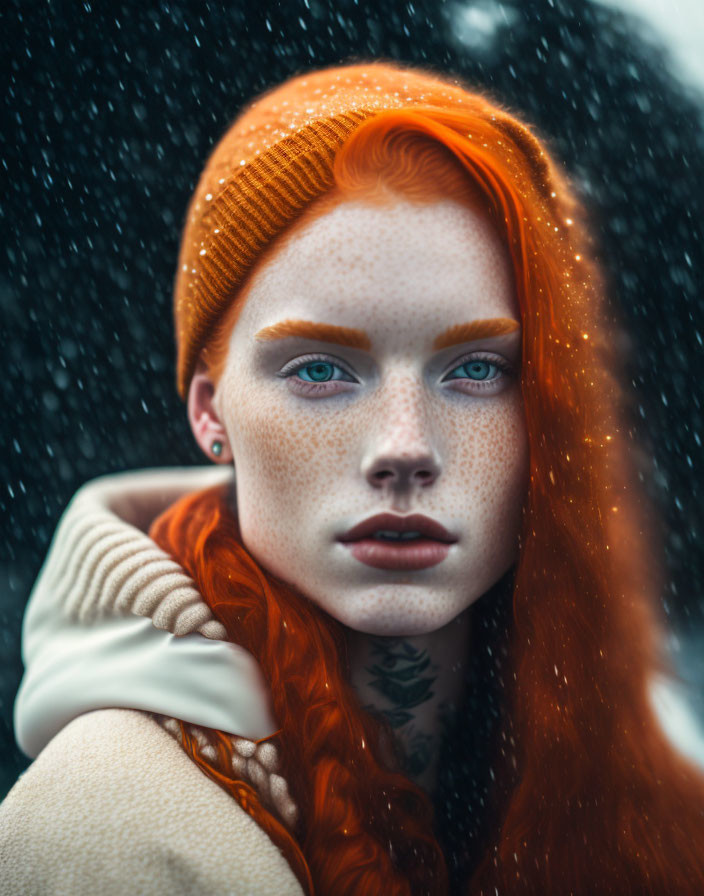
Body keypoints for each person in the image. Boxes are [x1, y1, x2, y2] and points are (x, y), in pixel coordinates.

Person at [2, 61, 704, 895]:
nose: (403, 448)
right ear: (209, 413)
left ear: (549, 412)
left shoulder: (647, 766)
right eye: (320, 371)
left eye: (477, 369)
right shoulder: (108, 835)